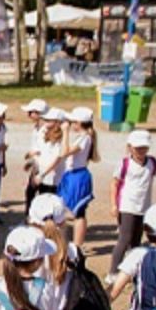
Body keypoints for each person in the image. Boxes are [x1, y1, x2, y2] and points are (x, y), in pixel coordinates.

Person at [109, 130, 156, 275]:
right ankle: (113, 272)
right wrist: (114, 205)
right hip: (127, 205)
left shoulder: (152, 162)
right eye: (137, 148)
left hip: (144, 207)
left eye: (144, 147)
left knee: (136, 240)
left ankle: (132, 270)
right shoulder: (124, 163)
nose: (141, 151)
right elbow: (114, 183)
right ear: (130, 148)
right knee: (124, 239)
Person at [59, 107, 99, 249]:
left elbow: (64, 152)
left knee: (78, 213)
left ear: (79, 123)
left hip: (77, 176)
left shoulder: (84, 138)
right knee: (68, 210)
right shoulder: (84, 137)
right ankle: (69, 242)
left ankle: (77, 245)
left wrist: (65, 132)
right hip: (72, 175)